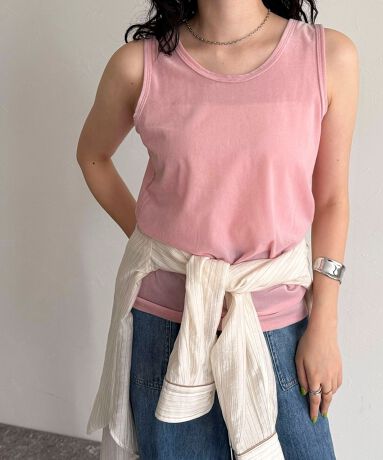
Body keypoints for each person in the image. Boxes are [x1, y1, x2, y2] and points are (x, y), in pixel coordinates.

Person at [77, 1, 359, 458]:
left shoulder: (328, 57)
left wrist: (325, 324)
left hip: (281, 327)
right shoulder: (139, 66)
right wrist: (153, 245)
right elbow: (93, 157)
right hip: (166, 328)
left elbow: (330, 200)